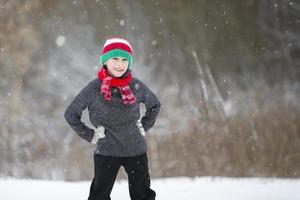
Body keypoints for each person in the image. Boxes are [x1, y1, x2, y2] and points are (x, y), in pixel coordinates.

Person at [64, 37, 161, 200]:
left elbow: (155, 105)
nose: (119, 64)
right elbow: (71, 114)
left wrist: (144, 125)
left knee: (143, 196)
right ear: (105, 61)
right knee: (99, 196)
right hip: (106, 151)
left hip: (135, 150)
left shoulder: (136, 86)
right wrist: (91, 135)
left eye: (124, 60)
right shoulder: (94, 88)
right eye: (115, 58)